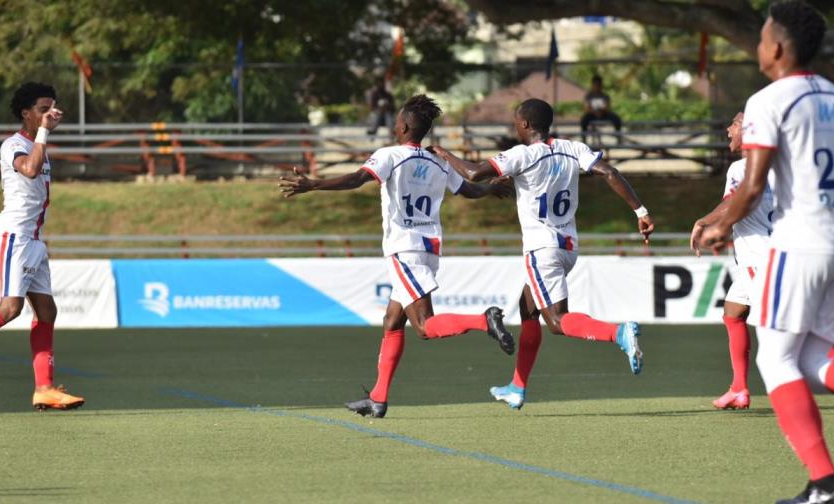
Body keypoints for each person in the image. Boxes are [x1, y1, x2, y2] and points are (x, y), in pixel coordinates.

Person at [698, 2, 834, 502]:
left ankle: (826, 484)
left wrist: (715, 226)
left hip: (801, 241)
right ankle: (823, 486)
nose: (760, 45)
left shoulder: (769, 100)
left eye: (763, 37)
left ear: (779, 47)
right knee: (812, 357)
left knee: (780, 360)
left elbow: (751, 183)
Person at [279, 94, 514, 419]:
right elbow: (469, 190)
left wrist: (313, 184)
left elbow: (358, 178)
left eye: (396, 121)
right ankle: (378, 398)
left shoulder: (390, 155)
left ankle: (483, 321)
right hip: (428, 247)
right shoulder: (438, 161)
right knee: (393, 321)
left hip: (404, 248)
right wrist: (491, 188)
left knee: (424, 326)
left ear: (403, 126)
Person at [430, 98, 654, 410]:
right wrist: (640, 211)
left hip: (542, 248)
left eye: (514, 121)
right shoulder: (572, 148)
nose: (513, 126)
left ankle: (618, 333)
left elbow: (473, 173)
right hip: (567, 246)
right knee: (528, 309)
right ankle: (517, 387)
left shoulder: (522, 154)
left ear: (524, 124)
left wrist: (442, 152)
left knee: (557, 321)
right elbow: (609, 172)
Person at [0, 82, 84, 411]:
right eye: (43, 109)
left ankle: (44, 388)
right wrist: (43, 133)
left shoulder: (37, 144)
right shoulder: (13, 144)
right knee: (10, 308)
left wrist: (41, 135)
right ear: (26, 114)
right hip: (13, 234)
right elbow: (28, 170)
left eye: (52, 108)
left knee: (46, 311)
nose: (50, 114)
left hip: (32, 238)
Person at [691, 112, 774, 410]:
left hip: (761, 260)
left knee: (791, 337)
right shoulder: (779, 166)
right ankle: (739, 388)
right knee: (733, 313)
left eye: (735, 123)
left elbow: (733, 203)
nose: (728, 129)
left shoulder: (743, 167)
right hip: (763, 255)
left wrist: (705, 223)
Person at [580, 75, 622, 140]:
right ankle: (584, 139)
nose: (597, 87)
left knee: (616, 119)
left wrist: (601, 111)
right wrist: (594, 112)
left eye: (599, 85)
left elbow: (607, 107)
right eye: (596, 85)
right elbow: (586, 108)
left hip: (604, 114)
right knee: (583, 120)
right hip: (592, 115)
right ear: (593, 85)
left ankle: (618, 137)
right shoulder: (588, 96)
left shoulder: (605, 96)